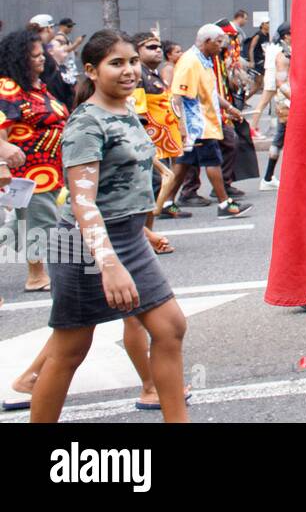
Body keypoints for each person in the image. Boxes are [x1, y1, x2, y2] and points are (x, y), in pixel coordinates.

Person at [29, 30, 190, 422]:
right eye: (116, 63)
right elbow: (83, 204)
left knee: (169, 327)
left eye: (132, 61)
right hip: (84, 246)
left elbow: (118, 190)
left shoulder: (125, 110)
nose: (129, 70)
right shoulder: (86, 124)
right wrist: (109, 264)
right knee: (70, 349)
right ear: (92, 70)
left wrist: (142, 230)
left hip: (126, 237)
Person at [0, 29, 69, 293]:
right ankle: (37, 275)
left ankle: (38, 272)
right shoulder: (9, 87)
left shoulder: (38, 87)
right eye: (34, 56)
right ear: (19, 59)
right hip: (29, 171)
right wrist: (3, 158)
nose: (41, 59)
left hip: (49, 168)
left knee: (22, 224)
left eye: (42, 54)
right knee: (41, 221)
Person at [165, 25, 251, 219]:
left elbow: (210, 92)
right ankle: (224, 204)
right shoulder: (190, 62)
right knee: (213, 160)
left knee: (183, 164)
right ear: (207, 42)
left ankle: (166, 202)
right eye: (218, 42)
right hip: (197, 125)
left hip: (204, 123)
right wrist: (181, 125)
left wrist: (229, 108)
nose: (221, 46)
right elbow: (176, 96)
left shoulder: (203, 61)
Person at [131, 32, 188, 222]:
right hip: (152, 144)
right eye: (151, 47)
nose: (158, 51)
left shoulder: (153, 74)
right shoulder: (139, 76)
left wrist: (180, 128)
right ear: (137, 51)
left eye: (159, 47)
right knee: (152, 187)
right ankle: (145, 236)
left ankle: (149, 234)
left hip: (165, 144)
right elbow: (137, 113)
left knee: (158, 186)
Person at [259, 23, 291, 190]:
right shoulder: (284, 56)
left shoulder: (287, 53)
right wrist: (296, 98)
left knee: (280, 140)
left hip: (286, 103)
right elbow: (281, 82)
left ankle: (268, 176)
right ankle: (268, 177)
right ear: (286, 36)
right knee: (284, 140)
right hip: (287, 105)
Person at [42, 33, 78, 110]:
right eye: (60, 45)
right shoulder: (50, 74)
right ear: (50, 51)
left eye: (65, 44)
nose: (65, 47)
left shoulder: (64, 68)